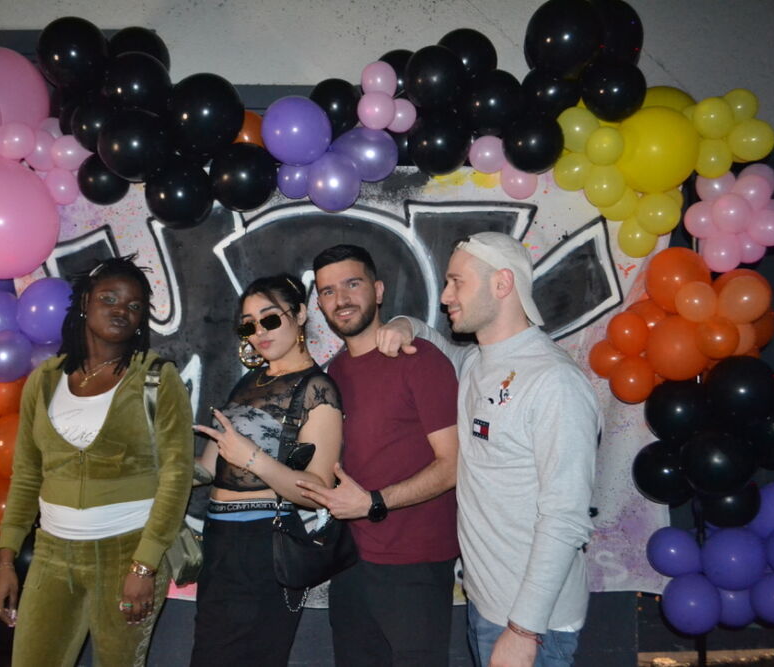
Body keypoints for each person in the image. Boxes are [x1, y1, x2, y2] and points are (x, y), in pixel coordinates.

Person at [375, 232, 601, 667]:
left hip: (534, 626)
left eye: (457, 282)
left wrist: (523, 631)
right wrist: (404, 324)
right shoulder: (477, 362)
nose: (445, 296)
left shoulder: (555, 382)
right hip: (486, 606)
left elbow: (566, 517)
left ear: (502, 283)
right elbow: (431, 339)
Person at [0, 256, 195, 667]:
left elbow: (177, 476)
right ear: (85, 302)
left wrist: (144, 565)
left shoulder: (155, 378)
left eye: (134, 306)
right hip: (52, 554)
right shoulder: (44, 380)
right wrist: (5, 560)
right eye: (110, 298)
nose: (122, 310)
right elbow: (26, 475)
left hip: (127, 553)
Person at [297, 244, 460, 667]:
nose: (341, 299)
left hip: (415, 564)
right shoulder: (334, 372)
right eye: (328, 291)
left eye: (352, 284)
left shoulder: (419, 360)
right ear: (320, 305)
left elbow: (453, 465)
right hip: (351, 564)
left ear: (379, 290)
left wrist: (373, 502)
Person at [191, 273, 344, 667]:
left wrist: (253, 459)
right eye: (248, 324)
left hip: (262, 544)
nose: (259, 331)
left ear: (300, 315)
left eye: (270, 318)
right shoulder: (249, 381)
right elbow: (208, 469)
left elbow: (319, 488)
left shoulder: (317, 388)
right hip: (219, 540)